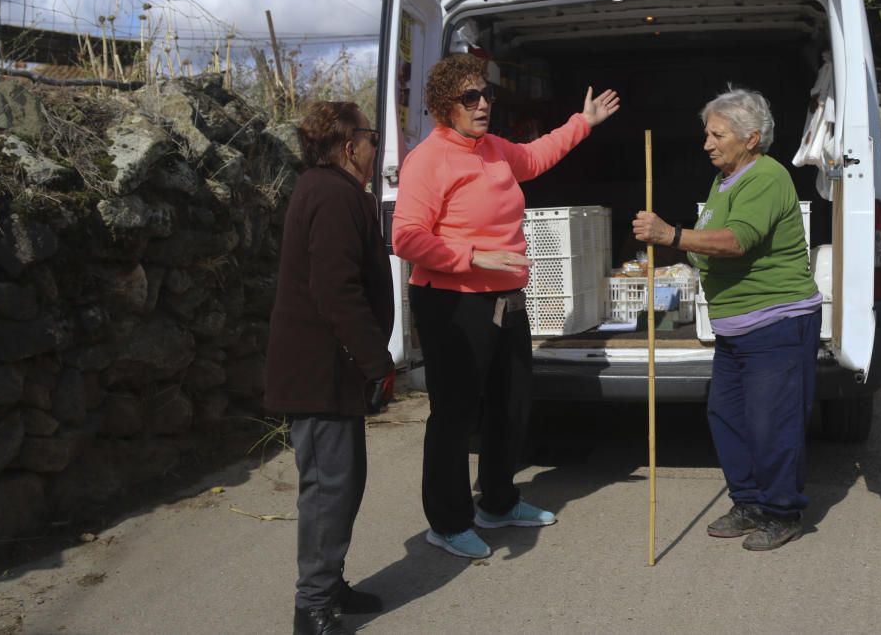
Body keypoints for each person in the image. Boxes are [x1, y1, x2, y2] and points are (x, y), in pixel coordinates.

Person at [391, 53, 620, 559]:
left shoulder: (493, 149)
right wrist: (473, 256)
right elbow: (405, 238)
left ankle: (497, 501)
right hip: (452, 303)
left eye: (486, 95)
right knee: (454, 415)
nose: (483, 104)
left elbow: (536, 157)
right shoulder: (428, 159)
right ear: (442, 106)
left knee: (511, 403)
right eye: (470, 97)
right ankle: (447, 522)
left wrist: (583, 122)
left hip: (506, 297)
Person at [633, 86, 822, 551]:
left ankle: (782, 510)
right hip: (736, 328)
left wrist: (671, 234)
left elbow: (737, 241)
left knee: (771, 422)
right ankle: (750, 501)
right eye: (707, 133)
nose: (707, 144)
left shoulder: (767, 177)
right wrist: (676, 260)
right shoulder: (724, 182)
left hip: (776, 323)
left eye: (717, 134)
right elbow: (710, 244)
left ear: (751, 138)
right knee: (727, 415)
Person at [265, 101, 396, 635]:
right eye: (370, 136)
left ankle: (329, 582)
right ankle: (313, 607)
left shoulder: (336, 193)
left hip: (331, 371)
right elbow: (335, 291)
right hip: (319, 373)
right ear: (348, 145)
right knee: (328, 487)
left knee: (343, 482)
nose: (375, 146)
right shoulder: (331, 195)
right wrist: (377, 364)